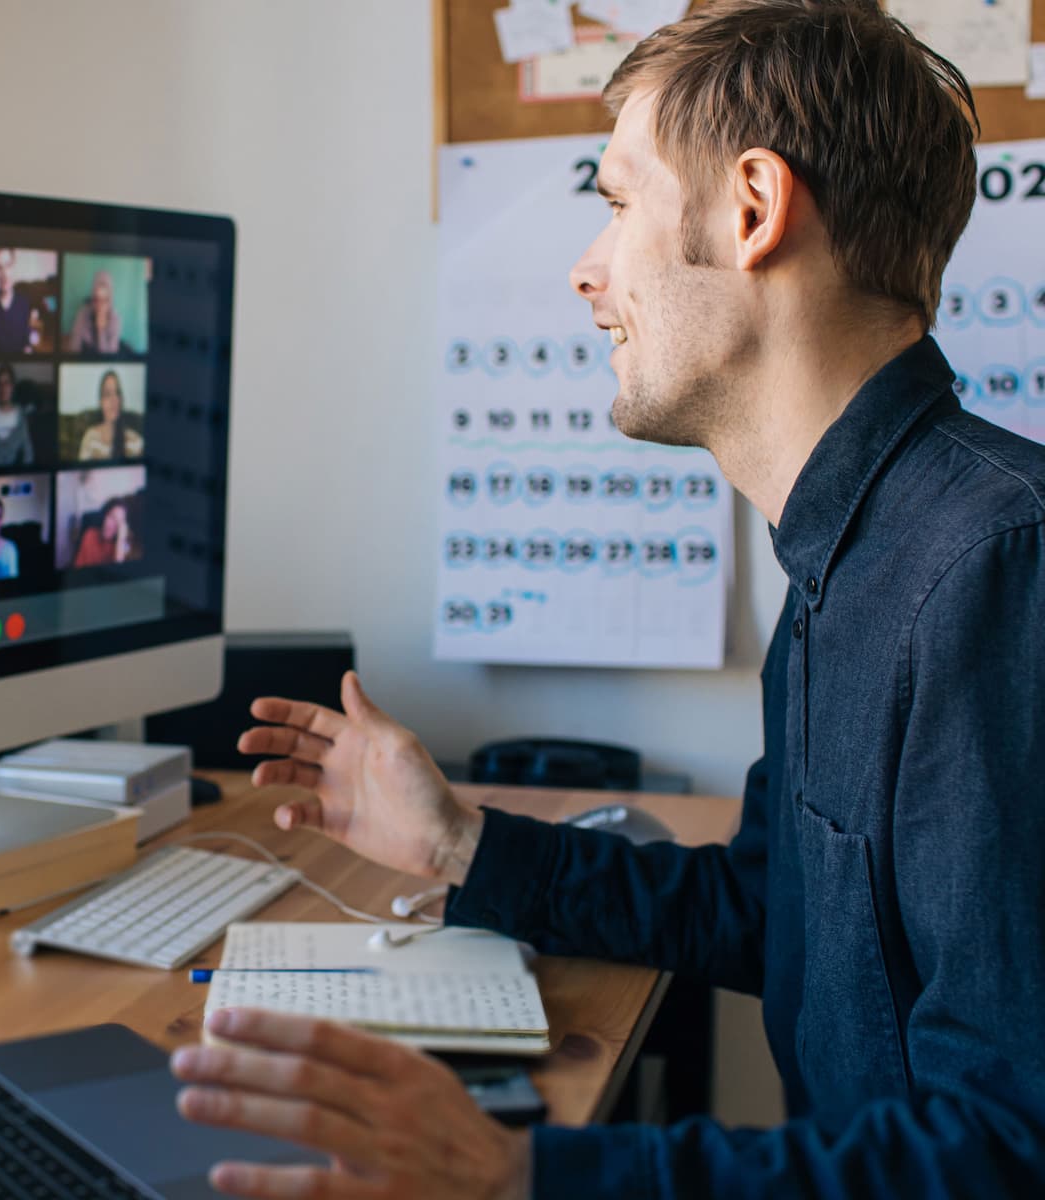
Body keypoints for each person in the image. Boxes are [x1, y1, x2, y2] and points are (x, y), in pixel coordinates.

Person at [168, 3, 1045, 1198]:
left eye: (619, 202)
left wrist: (525, 1174)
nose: (588, 268)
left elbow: (1007, 1153)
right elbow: (771, 913)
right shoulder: (849, 559)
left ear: (752, 210)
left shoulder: (993, 571)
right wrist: (459, 844)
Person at [77, 369, 143, 460]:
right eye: (108, 394)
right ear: (101, 402)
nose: (114, 399)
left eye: (117, 393)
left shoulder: (135, 440)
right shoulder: (90, 438)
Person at [66, 269, 126, 354]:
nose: (100, 305)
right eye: (96, 299)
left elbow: (109, 355)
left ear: (110, 300)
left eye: (104, 300)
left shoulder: (116, 319)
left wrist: (100, 330)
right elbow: (74, 345)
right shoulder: (83, 313)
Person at [73, 497, 132, 567]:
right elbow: (78, 567)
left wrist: (120, 541)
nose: (113, 525)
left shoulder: (121, 546)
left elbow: (118, 571)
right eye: (112, 517)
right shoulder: (90, 534)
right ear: (104, 515)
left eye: (119, 522)